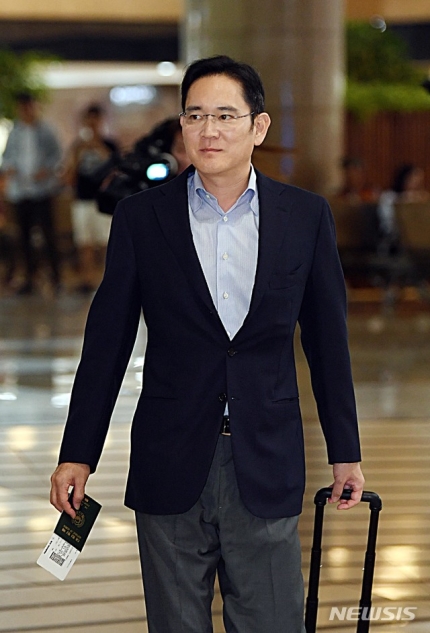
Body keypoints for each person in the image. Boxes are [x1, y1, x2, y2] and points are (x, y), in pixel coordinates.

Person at [50, 55, 364, 633]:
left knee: (272, 621)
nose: (208, 130)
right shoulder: (142, 218)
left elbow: (328, 342)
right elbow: (107, 344)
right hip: (169, 459)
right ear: (182, 126)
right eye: (195, 115)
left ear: (258, 126)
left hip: (265, 459)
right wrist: (78, 453)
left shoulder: (304, 217)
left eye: (225, 115)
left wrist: (346, 451)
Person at [1, 92, 62, 294]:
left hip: (42, 191)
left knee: (48, 234)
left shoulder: (46, 131)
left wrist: (46, 170)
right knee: (24, 236)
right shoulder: (15, 132)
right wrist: (10, 168)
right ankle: (29, 277)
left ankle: (55, 276)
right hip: (20, 192)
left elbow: (57, 156)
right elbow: (7, 157)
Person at [62, 103, 118, 293]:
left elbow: (116, 170)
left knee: (106, 242)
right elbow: (69, 176)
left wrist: (98, 147)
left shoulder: (110, 145)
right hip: (82, 200)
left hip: (104, 200)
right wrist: (78, 156)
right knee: (84, 243)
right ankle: (88, 280)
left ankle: (108, 279)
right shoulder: (78, 146)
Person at [377, 163, 430, 254]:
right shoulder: (389, 197)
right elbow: (388, 224)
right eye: (413, 180)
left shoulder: (419, 199)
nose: (416, 185)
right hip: (393, 242)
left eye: (419, 183)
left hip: (418, 242)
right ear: (404, 179)